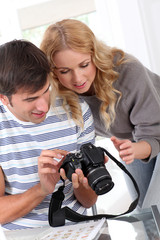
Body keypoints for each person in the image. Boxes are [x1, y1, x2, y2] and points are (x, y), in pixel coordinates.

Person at [40, 18, 160, 210]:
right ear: (54, 72)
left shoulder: (128, 70)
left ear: (95, 55)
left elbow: (154, 134)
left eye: (84, 65)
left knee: (154, 208)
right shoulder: (59, 94)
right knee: (144, 214)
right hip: (133, 142)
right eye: (65, 70)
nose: (77, 78)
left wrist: (134, 149)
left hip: (154, 132)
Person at [0, 39, 97, 230]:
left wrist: (81, 183)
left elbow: (89, 201)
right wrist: (42, 189)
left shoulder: (77, 110)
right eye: (31, 99)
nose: (44, 106)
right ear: (3, 98)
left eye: (46, 91)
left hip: (79, 231)